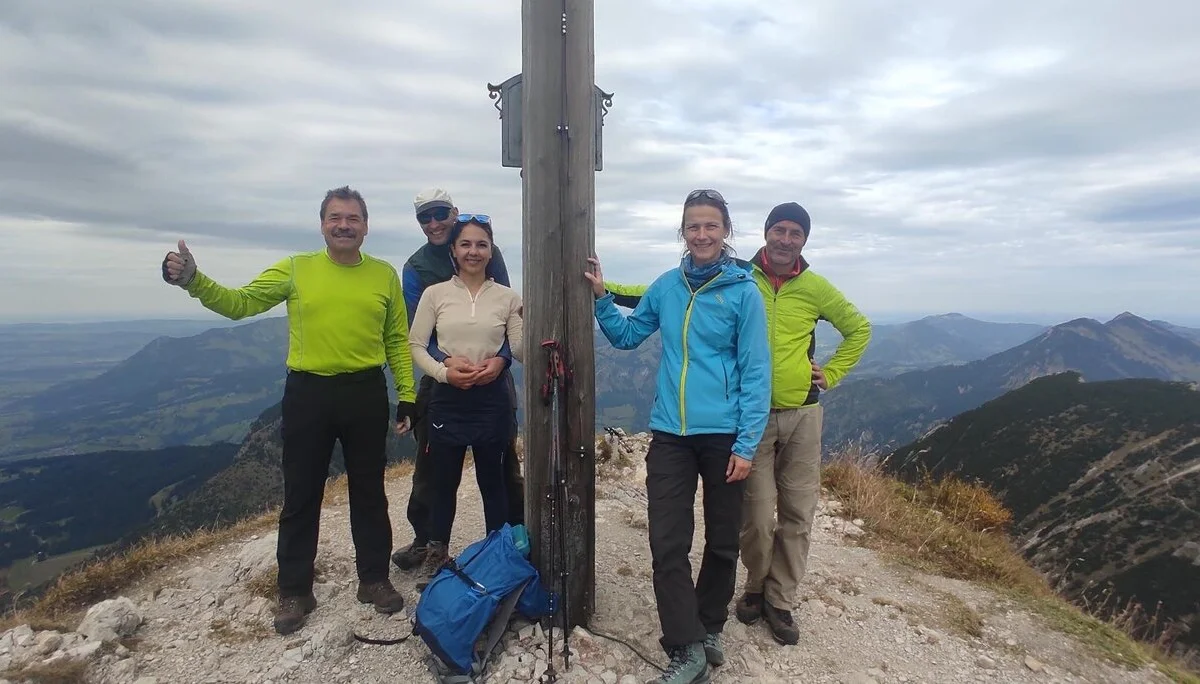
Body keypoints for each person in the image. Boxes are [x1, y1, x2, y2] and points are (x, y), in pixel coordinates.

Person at [160, 186, 416, 636]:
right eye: (335, 217)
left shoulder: (383, 275)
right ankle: (295, 589)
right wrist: (193, 280)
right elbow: (240, 304)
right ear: (322, 224)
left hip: (365, 393)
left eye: (352, 218)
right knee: (300, 495)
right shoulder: (296, 269)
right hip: (308, 393)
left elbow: (396, 339)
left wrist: (407, 394)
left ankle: (373, 580)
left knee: (370, 492)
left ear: (365, 226)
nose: (343, 225)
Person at [583, 189, 771, 684]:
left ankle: (709, 627)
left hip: (726, 434)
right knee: (668, 542)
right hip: (670, 433)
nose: (702, 234)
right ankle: (685, 645)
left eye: (711, 226)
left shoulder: (744, 292)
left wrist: (747, 445)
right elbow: (627, 336)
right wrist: (602, 300)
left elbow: (756, 372)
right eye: (693, 226)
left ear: (726, 231)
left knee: (723, 540)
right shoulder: (666, 287)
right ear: (683, 232)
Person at [734, 202, 871, 644]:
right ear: (766, 233)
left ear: (804, 240)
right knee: (757, 517)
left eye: (795, 233)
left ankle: (780, 600)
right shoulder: (739, 275)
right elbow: (668, 288)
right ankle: (754, 585)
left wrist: (831, 372)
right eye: (779, 230)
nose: (785, 239)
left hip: (804, 414)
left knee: (797, 513)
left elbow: (859, 329)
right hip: (752, 416)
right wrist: (607, 290)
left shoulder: (815, 287)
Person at [390, 188, 525, 578]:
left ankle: (507, 542)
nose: (433, 223)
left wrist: (501, 360)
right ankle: (430, 543)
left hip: (492, 383)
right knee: (434, 472)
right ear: (454, 251)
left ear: (453, 213)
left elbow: (508, 325)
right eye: (425, 217)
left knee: (499, 471)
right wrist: (446, 365)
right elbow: (420, 333)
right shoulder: (418, 270)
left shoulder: (491, 258)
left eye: (440, 214)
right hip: (444, 382)